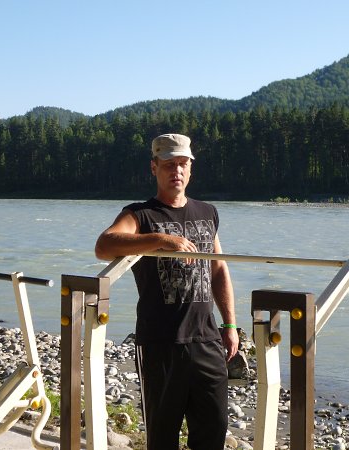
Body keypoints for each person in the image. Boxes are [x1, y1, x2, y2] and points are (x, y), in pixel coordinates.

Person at [95, 133, 239, 450]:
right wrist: (162, 240)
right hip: (161, 343)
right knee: (162, 438)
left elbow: (218, 269)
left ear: (191, 168)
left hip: (206, 339)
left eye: (183, 164)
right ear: (154, 168)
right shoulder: (140, 214)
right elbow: (104, 245)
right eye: (169, 164)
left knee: (213, 431)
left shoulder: (208, 212)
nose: (177, 171)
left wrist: (229, 324)